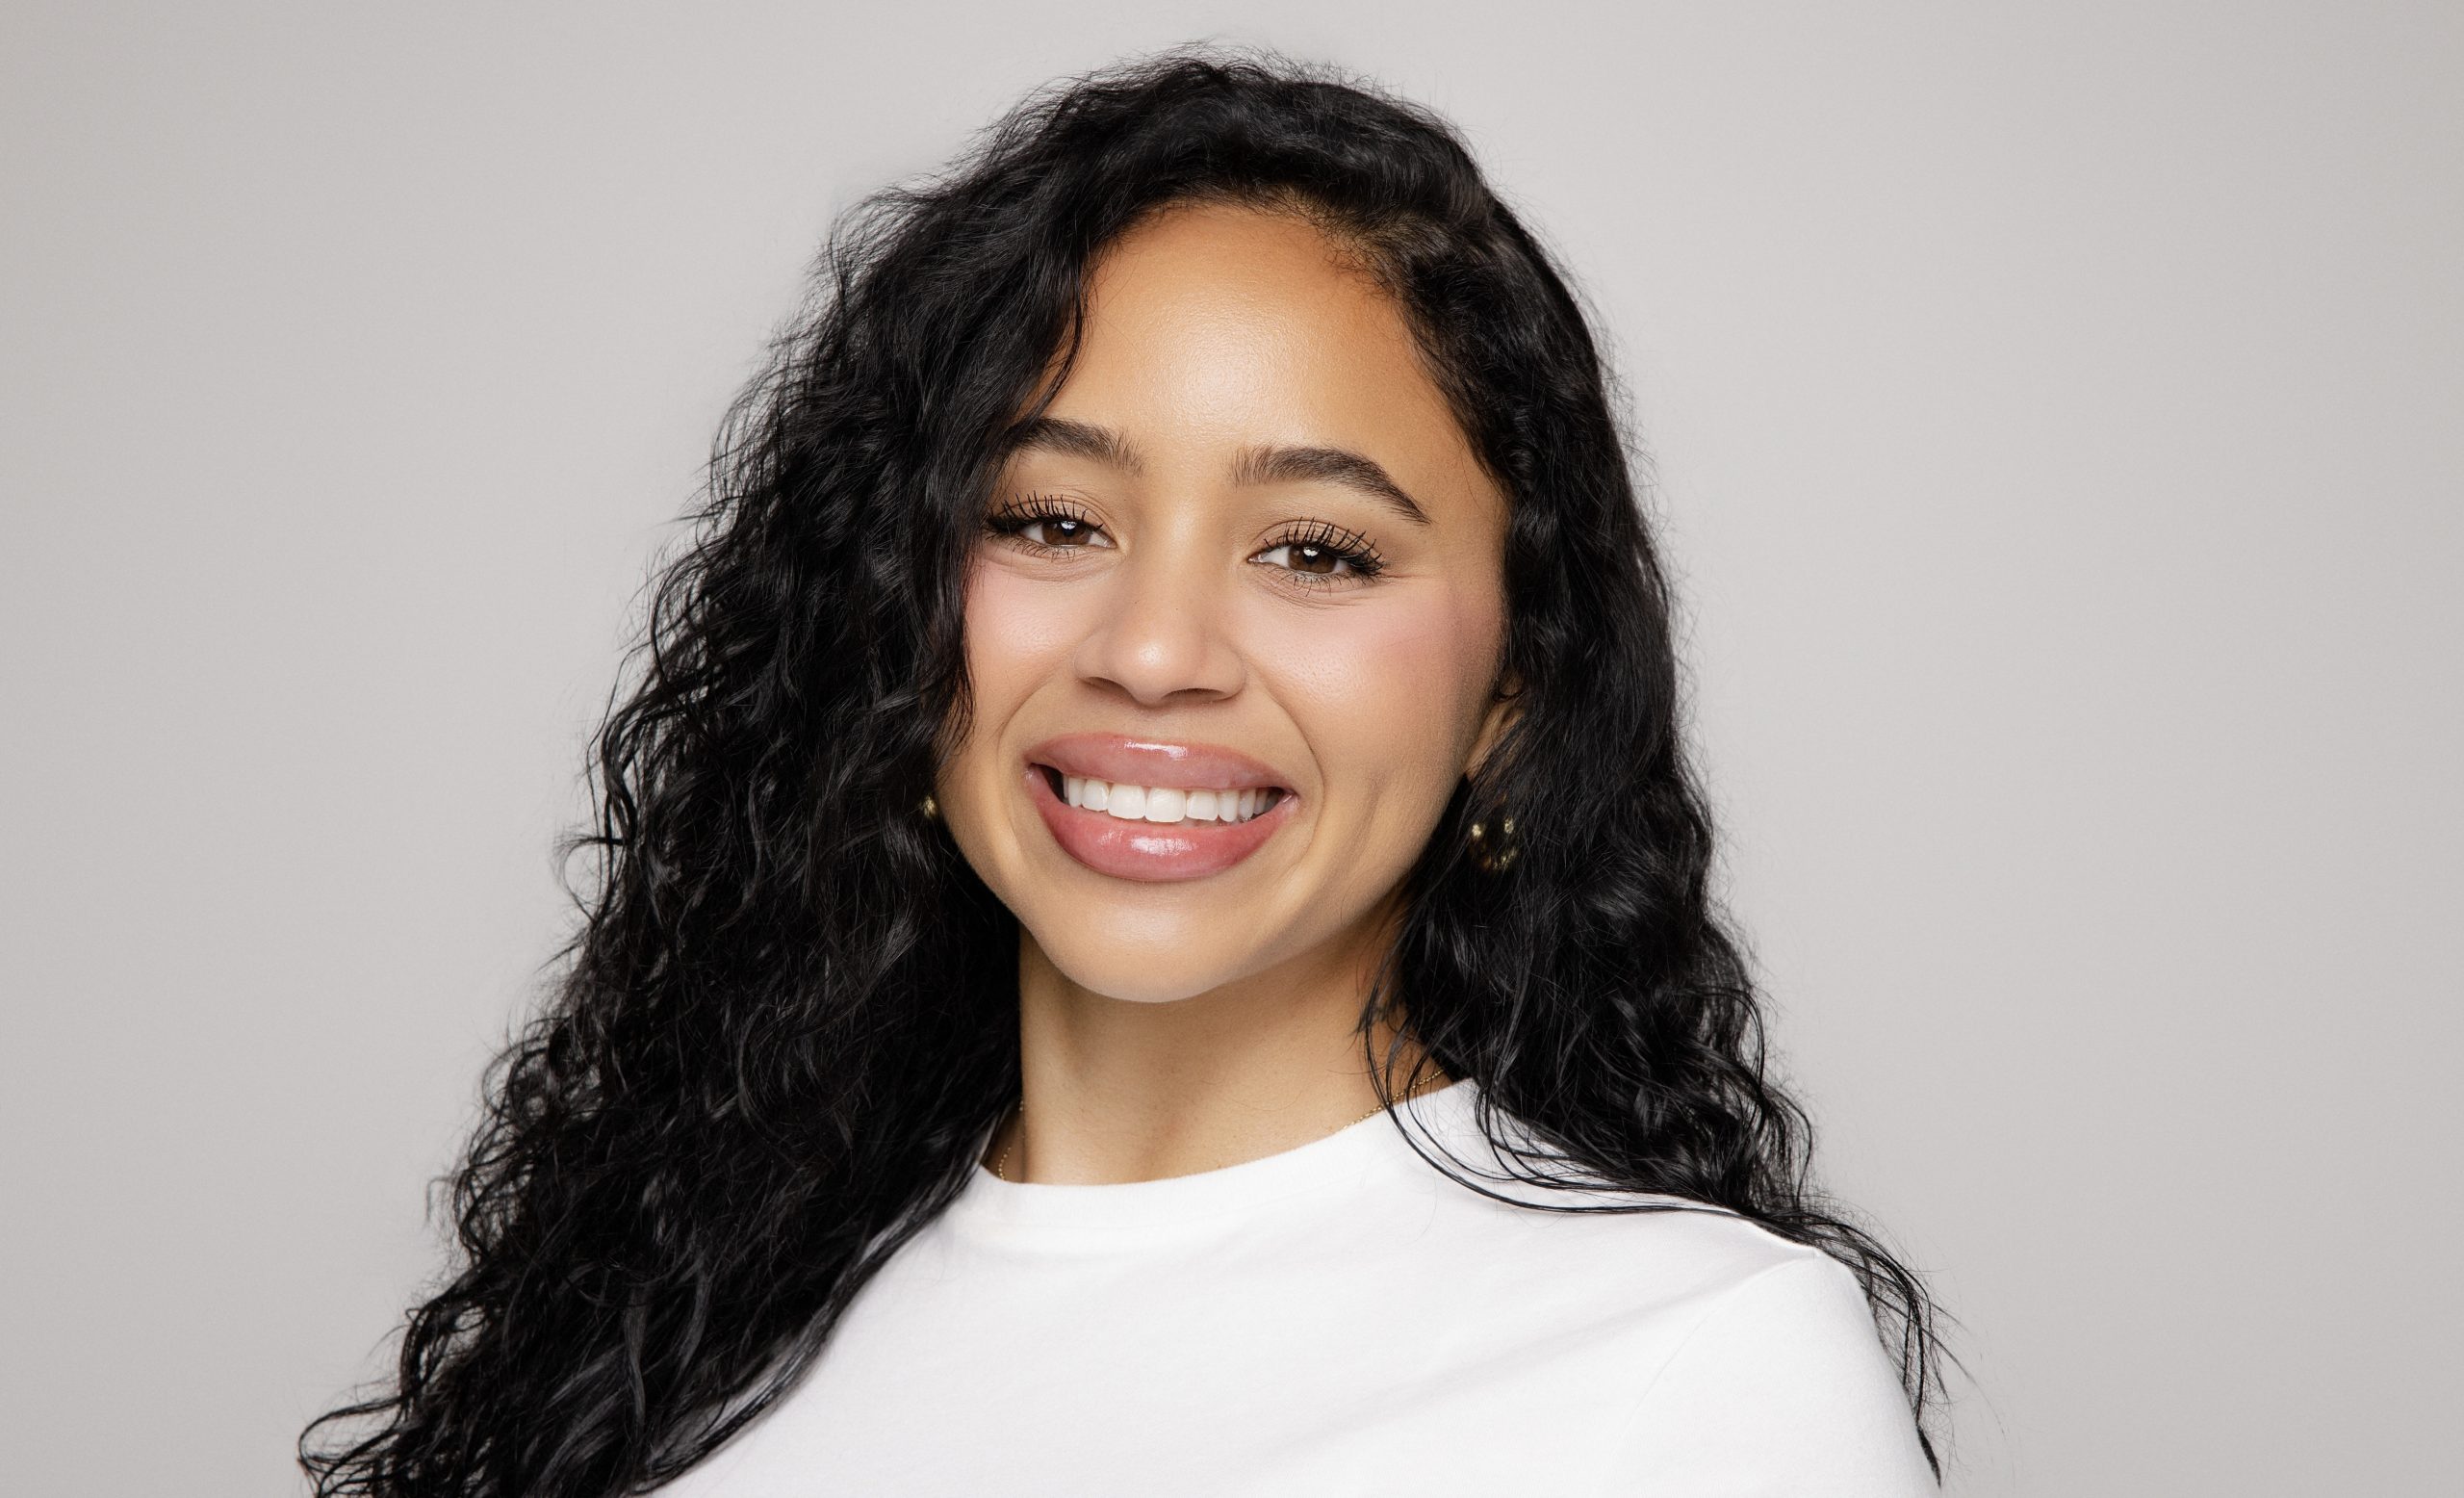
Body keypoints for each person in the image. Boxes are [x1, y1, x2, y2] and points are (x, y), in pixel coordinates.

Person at [303, 49, 1945, 1498]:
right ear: (895, 608)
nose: (1154, 651)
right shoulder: (682, 1330)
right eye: (1050, 521)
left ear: (1515, 691)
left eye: (1316, 550)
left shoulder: (1697, 1372)